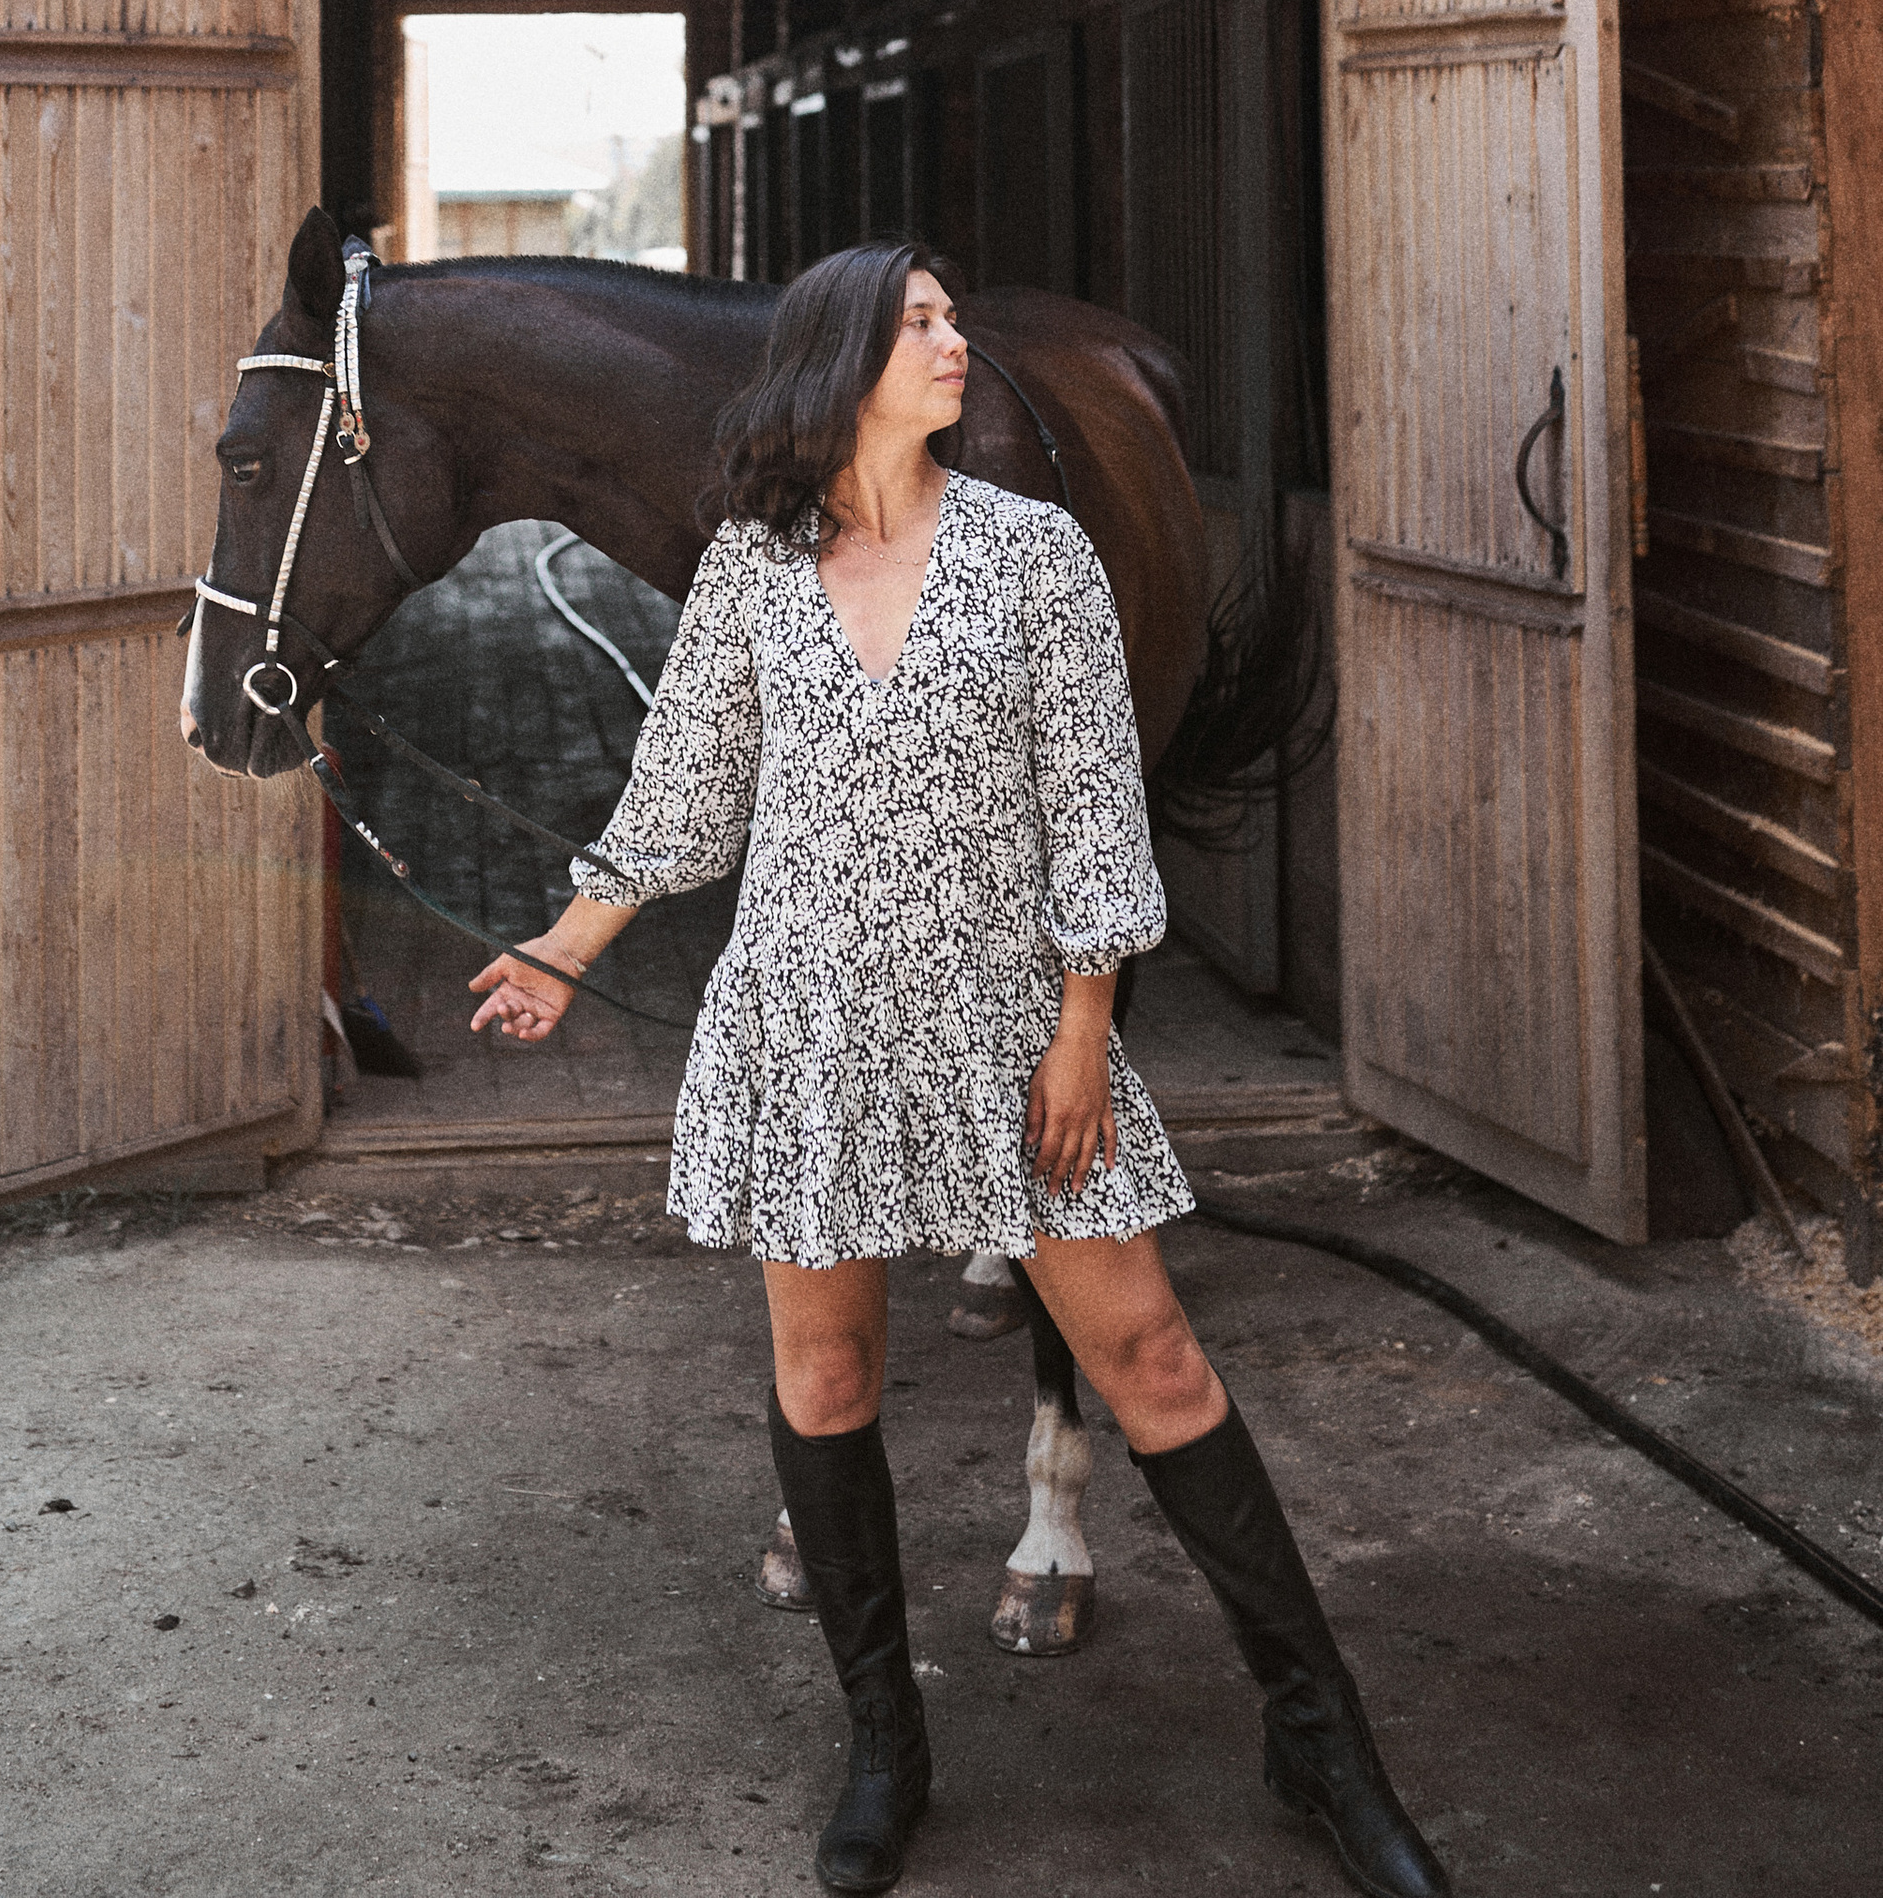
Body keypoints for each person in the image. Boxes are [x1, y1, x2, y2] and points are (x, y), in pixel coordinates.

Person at [470, 241, 1447, 1898]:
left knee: (1151, 1358)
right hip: (808, 1030)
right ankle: (884, 1748)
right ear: (838, 361)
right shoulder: (753, 570)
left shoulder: (1037, 555)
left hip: (1011, 1028)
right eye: (918, 323)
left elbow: (1095, 815)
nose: (954, 343)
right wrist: (566, 951)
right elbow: (685, 799)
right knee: (830, 1381)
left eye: (949, 320)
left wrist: (1085, 1027)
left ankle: (1322, 1745)